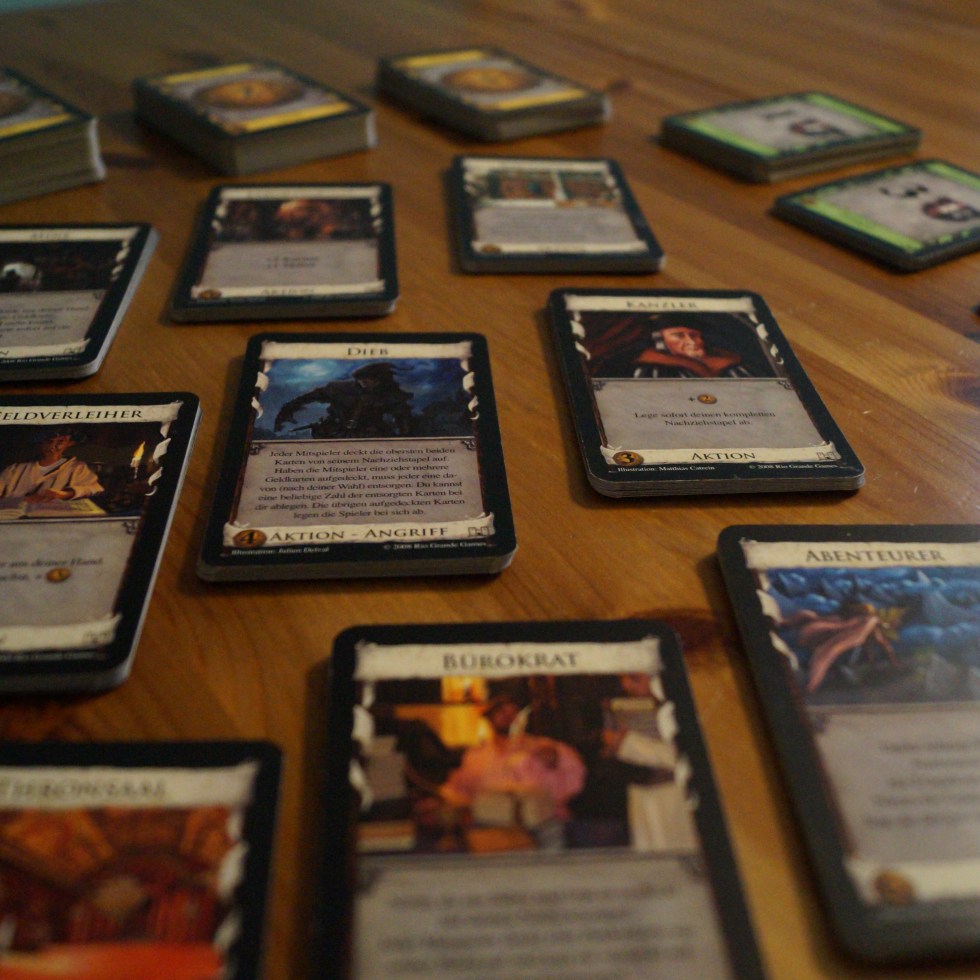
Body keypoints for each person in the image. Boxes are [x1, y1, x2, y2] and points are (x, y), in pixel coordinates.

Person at [444, 693, 585, 823]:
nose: (508, 716)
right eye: (501, 711)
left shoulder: (542, 746)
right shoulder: (475, 755)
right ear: (489, 717)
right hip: (491, 826)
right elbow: (459, 792)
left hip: (540, 823)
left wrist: (555, 758)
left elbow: (575, 775)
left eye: (514, 712)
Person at [274, 362, 414, 439]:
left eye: (371, 379)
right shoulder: (340, 389)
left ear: (380, 380)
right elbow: (309, 397)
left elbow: (402, 419)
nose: (365, 382)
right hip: (334, 433)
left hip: (368, 436)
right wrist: (287, 410)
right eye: (363, 379)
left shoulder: (391, 395)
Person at [0, 428, 102, 501]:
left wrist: (66, 494)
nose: (52, 446)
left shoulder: (77, 468)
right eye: (49, 441)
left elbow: (95, 488)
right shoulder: (16, 468)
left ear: (69, 443)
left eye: (60, 442)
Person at [631, 325, 751, 379]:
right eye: (679, 335)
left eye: (694, 335)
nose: (691, 341)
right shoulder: (653, 370)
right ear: (660, 340)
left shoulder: (733, 367)